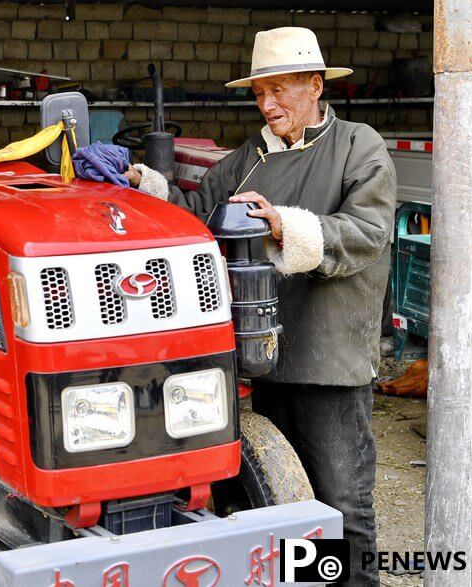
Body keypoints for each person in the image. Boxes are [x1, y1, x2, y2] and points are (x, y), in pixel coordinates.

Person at [124, 28, 395, 586]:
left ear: (315, 86)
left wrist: (283, 225)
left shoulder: (357, 145)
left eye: (280, 90)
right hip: (265, 354)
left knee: (342, 501)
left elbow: (366, 232)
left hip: (330, 360)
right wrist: (146, 184)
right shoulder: (249, 158)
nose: (267, 105)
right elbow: (196, 214)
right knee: (283, 498)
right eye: (260, 94)